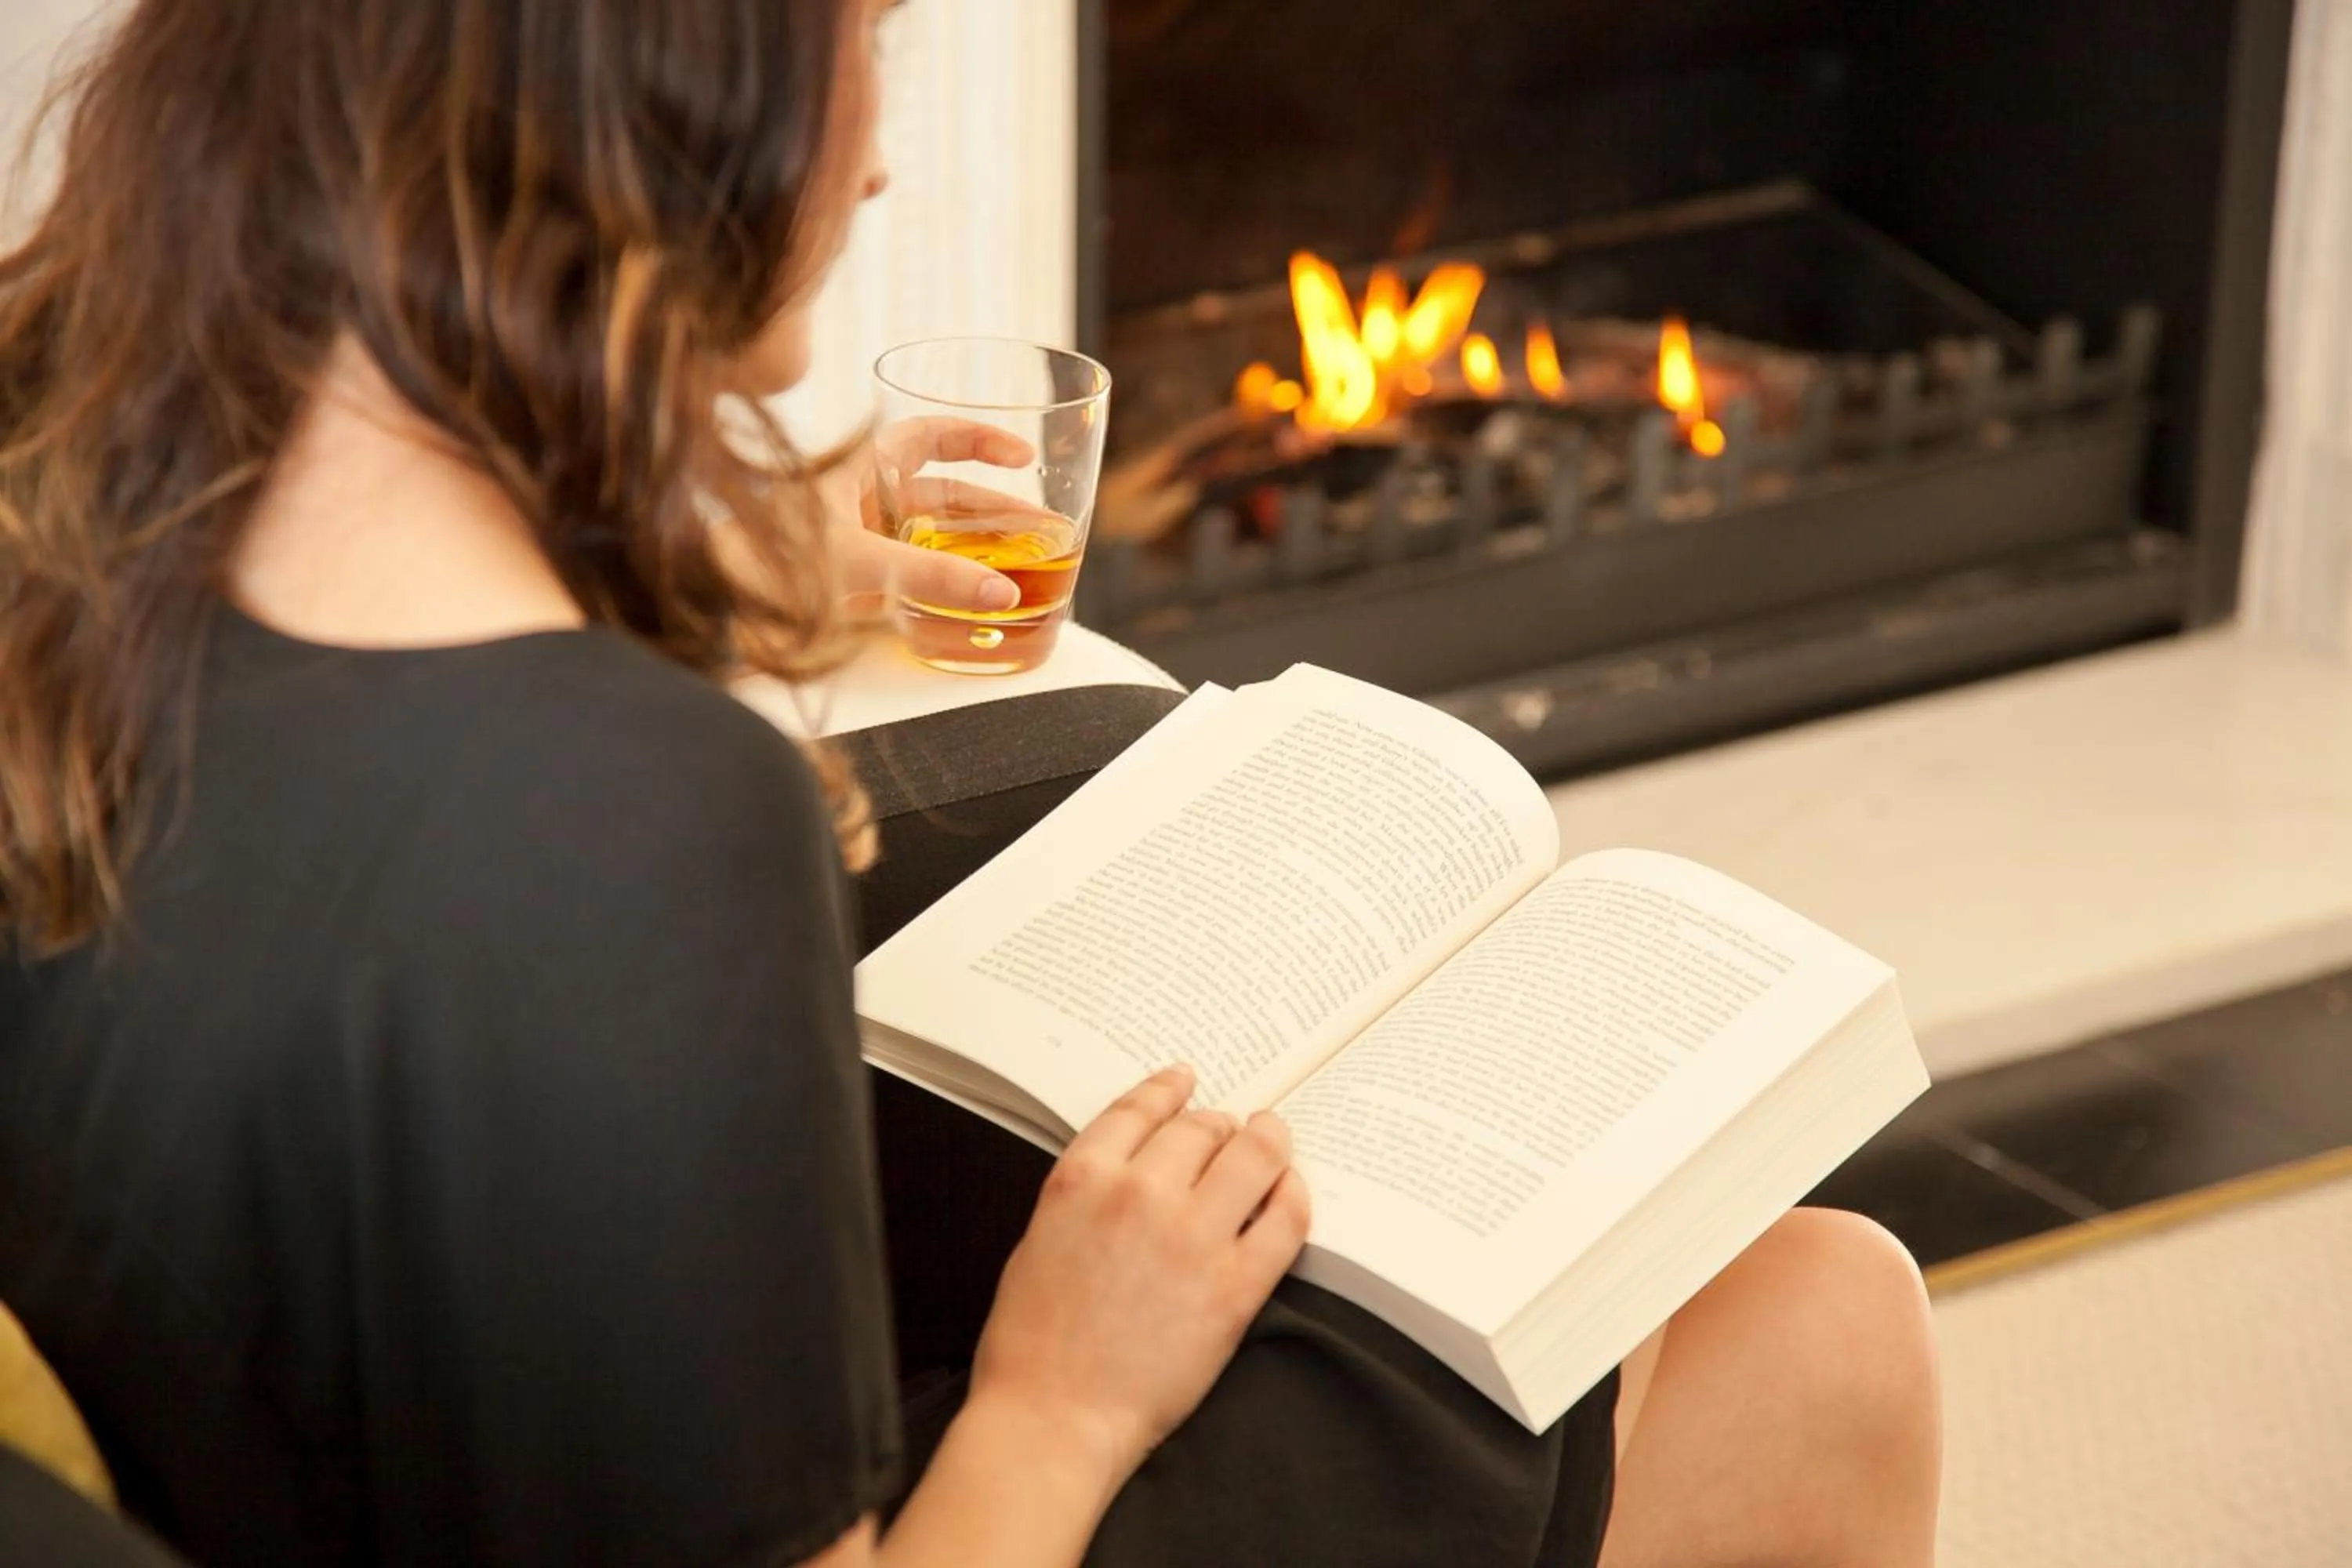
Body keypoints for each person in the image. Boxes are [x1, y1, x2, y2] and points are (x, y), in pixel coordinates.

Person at [0, 0, 1942, 1563]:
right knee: (1814, 1321)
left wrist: (750, 552)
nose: (880, 147)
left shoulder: (63, 462)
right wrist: (1063, 1394)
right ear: (677, 96)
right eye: (867, 41)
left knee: (1777, 1292)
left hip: (293, 1437)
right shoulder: (631, 821)